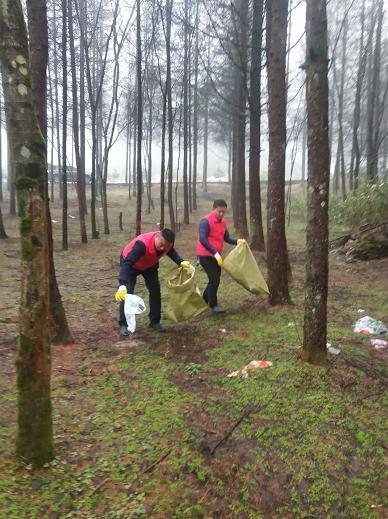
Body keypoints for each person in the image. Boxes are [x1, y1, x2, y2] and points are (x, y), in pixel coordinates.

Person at [115, 228, 191, 336]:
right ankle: (123, 324)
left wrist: (181, 261)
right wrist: (122, 284)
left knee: (155, 290)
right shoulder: (141, 245)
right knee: (127, 293)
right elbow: (127, 264)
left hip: (149, 265)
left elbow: (171, 251)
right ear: (157, 237)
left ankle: (154, 322)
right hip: (131, 265)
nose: (162, 248)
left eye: (166, 246)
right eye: (161, 244)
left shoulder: (167, 244)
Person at [197, 199, 244, 313]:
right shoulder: (205, 221)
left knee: (214, 279)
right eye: (219, 211)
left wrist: (238, 241)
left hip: (216, 256)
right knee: (215, 279)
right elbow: (203, 239)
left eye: (224, 212)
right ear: (213, 209)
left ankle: (204, 299)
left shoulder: (223, 222)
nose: (222, 214)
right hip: (205, 255)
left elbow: (226, 238)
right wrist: (214, 252)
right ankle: (213, 305)